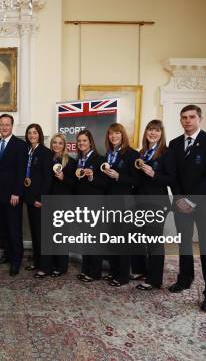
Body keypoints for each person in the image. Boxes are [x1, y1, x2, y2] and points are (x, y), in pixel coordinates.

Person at [168, 105, 206, 312]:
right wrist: (180, 199)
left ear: (200, 118)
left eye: (192, 117)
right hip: (180, 204)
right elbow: (172, 175)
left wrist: (191, 201)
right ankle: (185, 279)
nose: (187, 121)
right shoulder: (174, 144)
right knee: (184, 244)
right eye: (184, 117)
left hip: (205, 204)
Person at [134, 120, 174, 291]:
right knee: (140, 238)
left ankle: (154, 280)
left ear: (161, 133)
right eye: (150, 130)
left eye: (157, 130)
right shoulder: (142, 152)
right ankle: (142, 271)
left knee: (154, 241)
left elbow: (171, 179)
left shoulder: (166, 153)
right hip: (141, 201)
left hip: (157, 202)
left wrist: (153, 173)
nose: (153, 133)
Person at [101, 123, 141, 287]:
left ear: (122, 135)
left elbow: (137, 181)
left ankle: (123, 275)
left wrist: (118, 176)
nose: (113, 136)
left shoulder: (132, 154)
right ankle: (114, 271)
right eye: (111, 134)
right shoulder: (108, 154)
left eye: (117, 133)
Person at [0, 114, 27, 276]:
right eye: (1, 125)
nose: (4, 127)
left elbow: (21, 171)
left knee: (14, 229)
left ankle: (16, 261)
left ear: (12, 126)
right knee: (3, 228)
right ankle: (7, 255)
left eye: (7, 124)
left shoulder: (20, 145)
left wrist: (16, 192)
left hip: (13, 196)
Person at [73, 129, 109, 283]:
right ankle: (86, 269)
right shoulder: (77, 160)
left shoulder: (100, 159)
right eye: (79, 141)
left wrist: (93, 177)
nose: (82, 143)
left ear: (90, 142)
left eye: (84, 141)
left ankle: (94, 272)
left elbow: (106, 184)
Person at [41, 134, 76, 277]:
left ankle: (61, 267)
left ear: (64, 145)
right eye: (54, 143)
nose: (56, 145)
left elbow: (74, 185)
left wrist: (63, 178)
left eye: (60, 143)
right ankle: (47, 266)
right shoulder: (47, 160)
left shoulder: (71, 162)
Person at [23, 124, 53, 278]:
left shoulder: (45, 152)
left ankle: (45, 267)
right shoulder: (29, 151)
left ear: (39, 134)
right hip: (30, 198)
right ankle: (37, 261)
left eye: (35, 133)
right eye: (29, 133)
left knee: (42, 234)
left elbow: (48, 178)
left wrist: (42, 198)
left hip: (39, 200)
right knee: (35, 233)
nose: (32, 135)